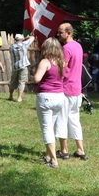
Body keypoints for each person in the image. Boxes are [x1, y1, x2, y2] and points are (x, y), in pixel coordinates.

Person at [56, 23, 88, 161]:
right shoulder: (78, 46)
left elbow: (62, 68)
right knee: (75, 119)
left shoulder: (66, 48)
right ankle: (80, 150)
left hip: (66, 88)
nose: (58, 35)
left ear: (68, 33)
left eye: (60, 32)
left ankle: (64, 151)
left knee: (61, 119)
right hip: (77, 89)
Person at [33, 37, 66, 168]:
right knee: (51, 127)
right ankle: (48, 156)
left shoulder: (45, 62)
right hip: (60, 97)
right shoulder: (61, 62)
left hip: (46, 97)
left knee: (47, 129)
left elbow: (37, 78)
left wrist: (34, 72)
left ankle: (53, 160)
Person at [9, 33, 35, 102]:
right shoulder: (24, 44)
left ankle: (10, 96)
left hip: (15, 66)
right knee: (22, 82)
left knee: (13, 81)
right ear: (21, 39)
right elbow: (32, 38)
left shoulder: (11, 47)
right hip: (23, 65)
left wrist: (23, 39)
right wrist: (26, 38)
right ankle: (19, 98)